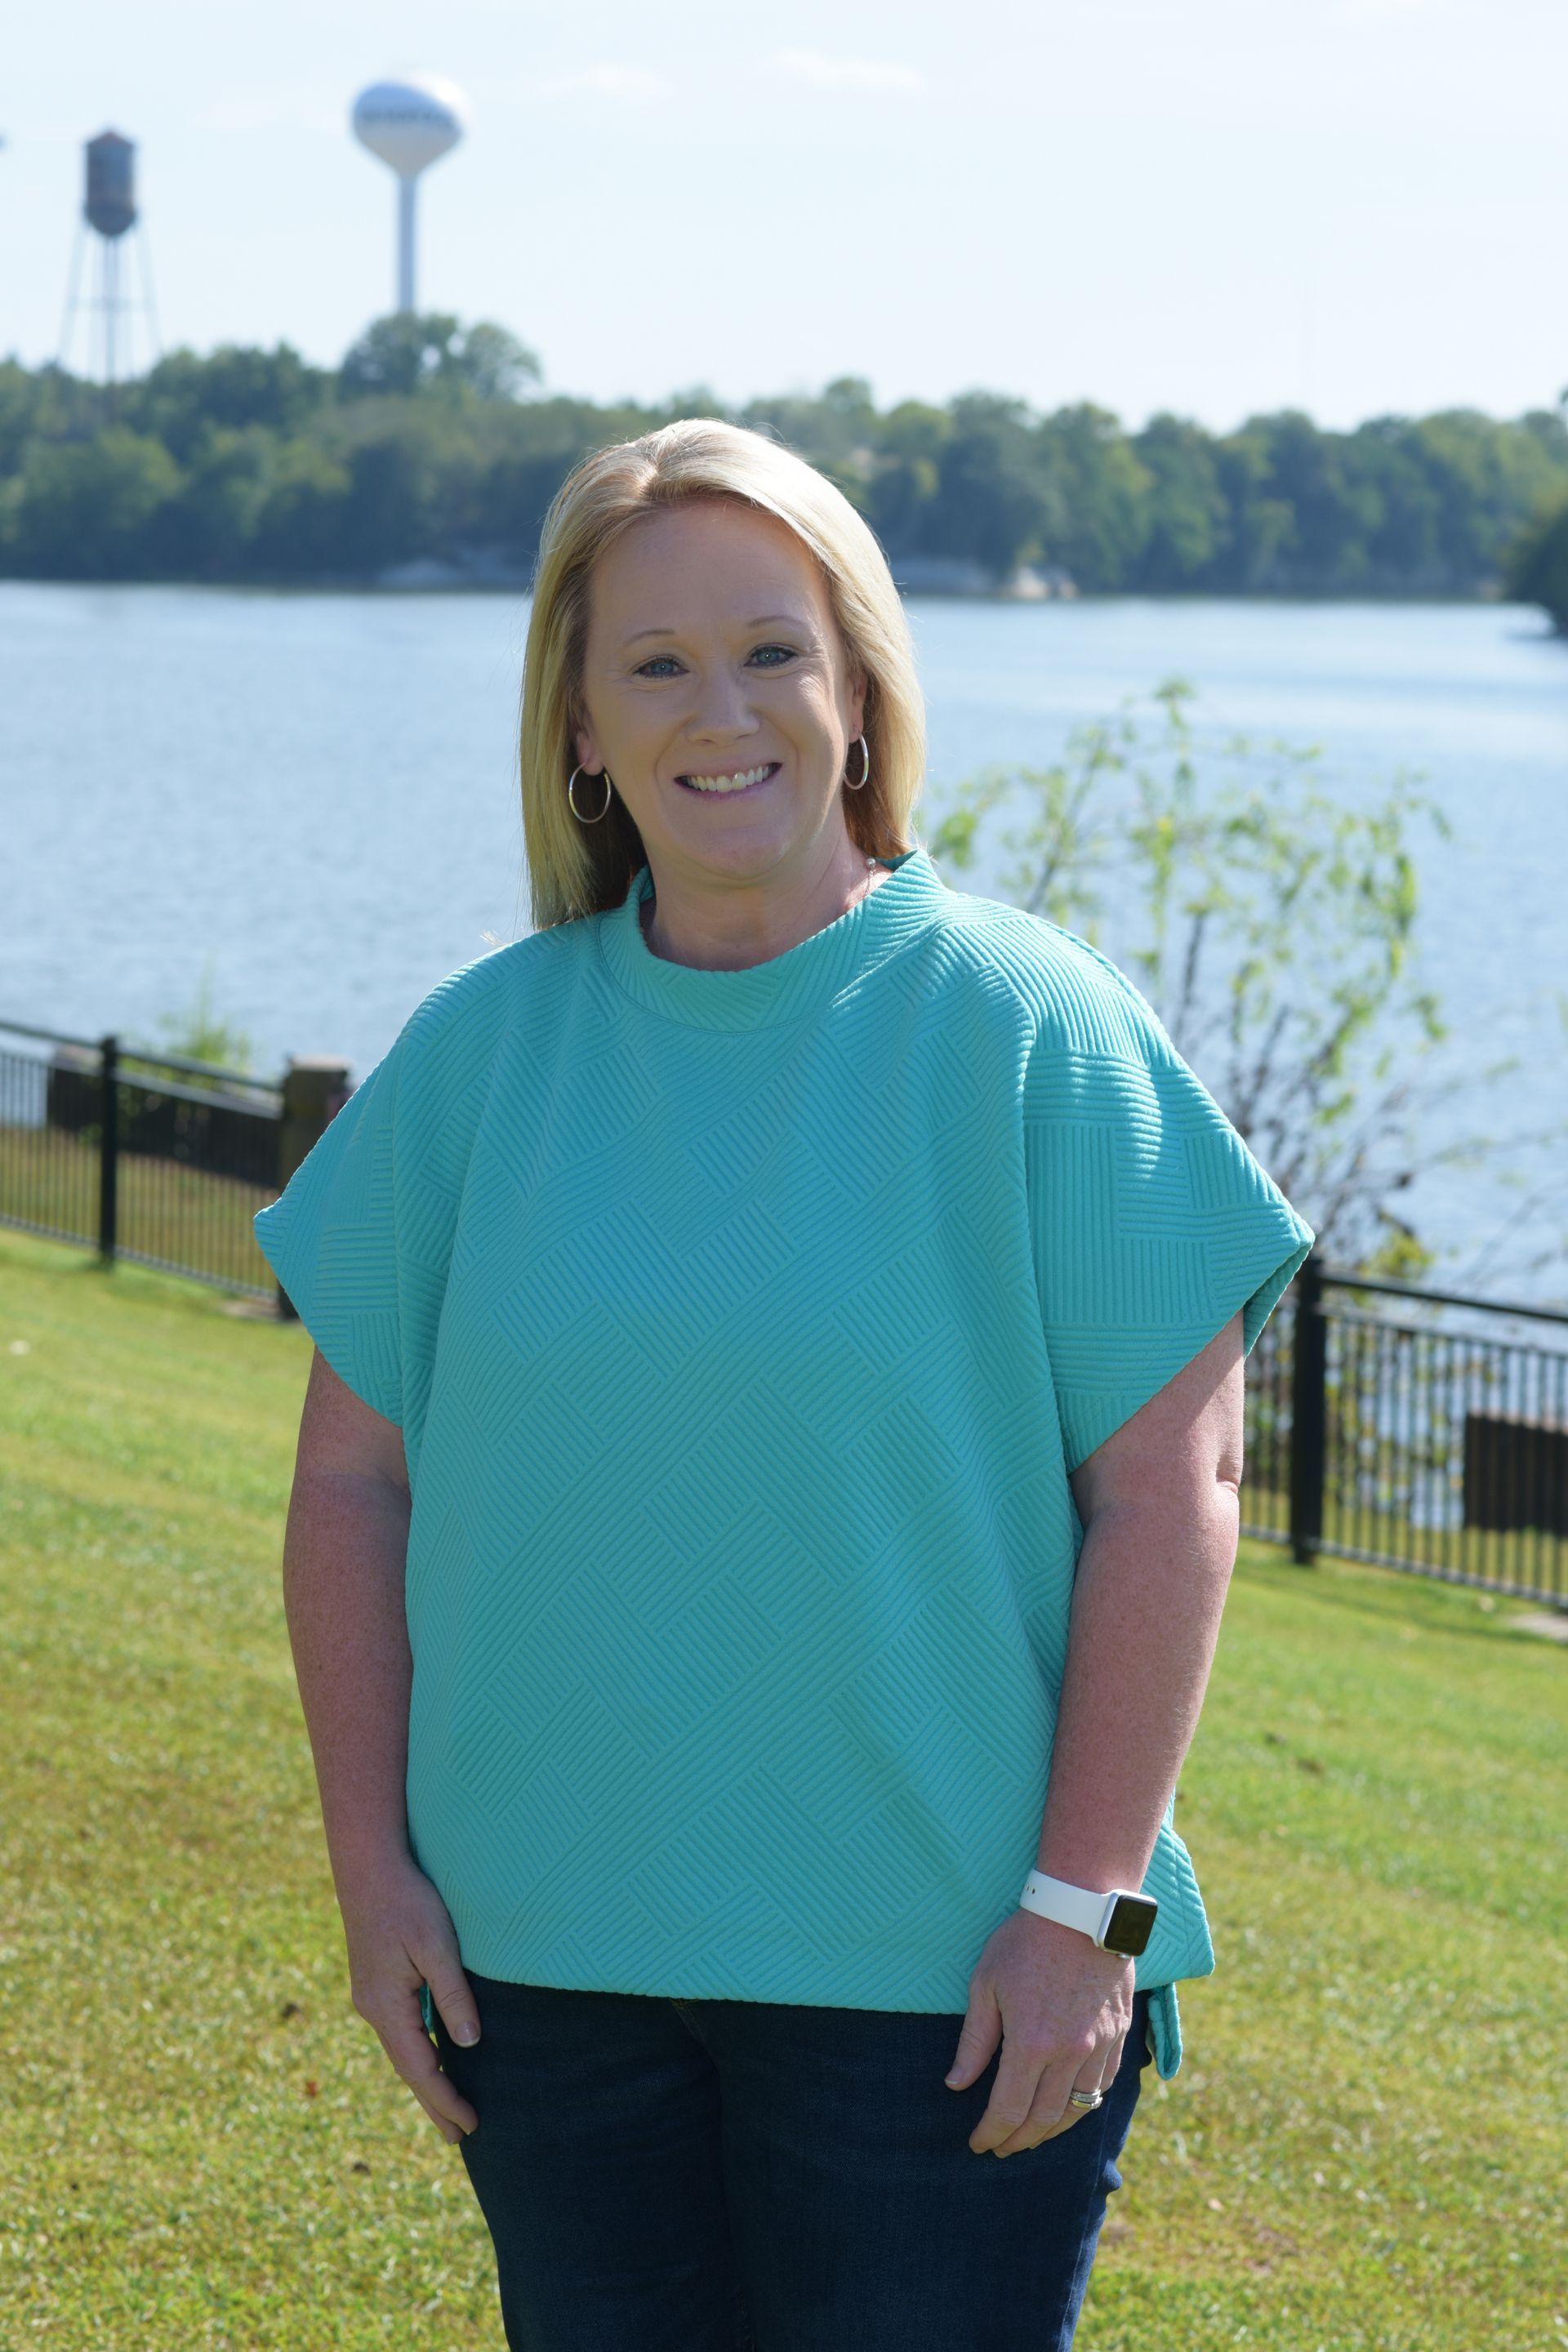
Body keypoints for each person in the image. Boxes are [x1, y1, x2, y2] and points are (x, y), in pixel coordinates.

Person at [255, 418, 1314, 2351]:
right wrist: (370, 1872)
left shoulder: (1032, 1033)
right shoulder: (478, 1062)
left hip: (958, 1984)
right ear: (580, 726)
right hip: (542, 1978)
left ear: (857, 694)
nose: (716, 708)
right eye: (653, 662)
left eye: (771, 649)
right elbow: (352, 1491)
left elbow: (1179, 1498)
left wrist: (1092, 1916)